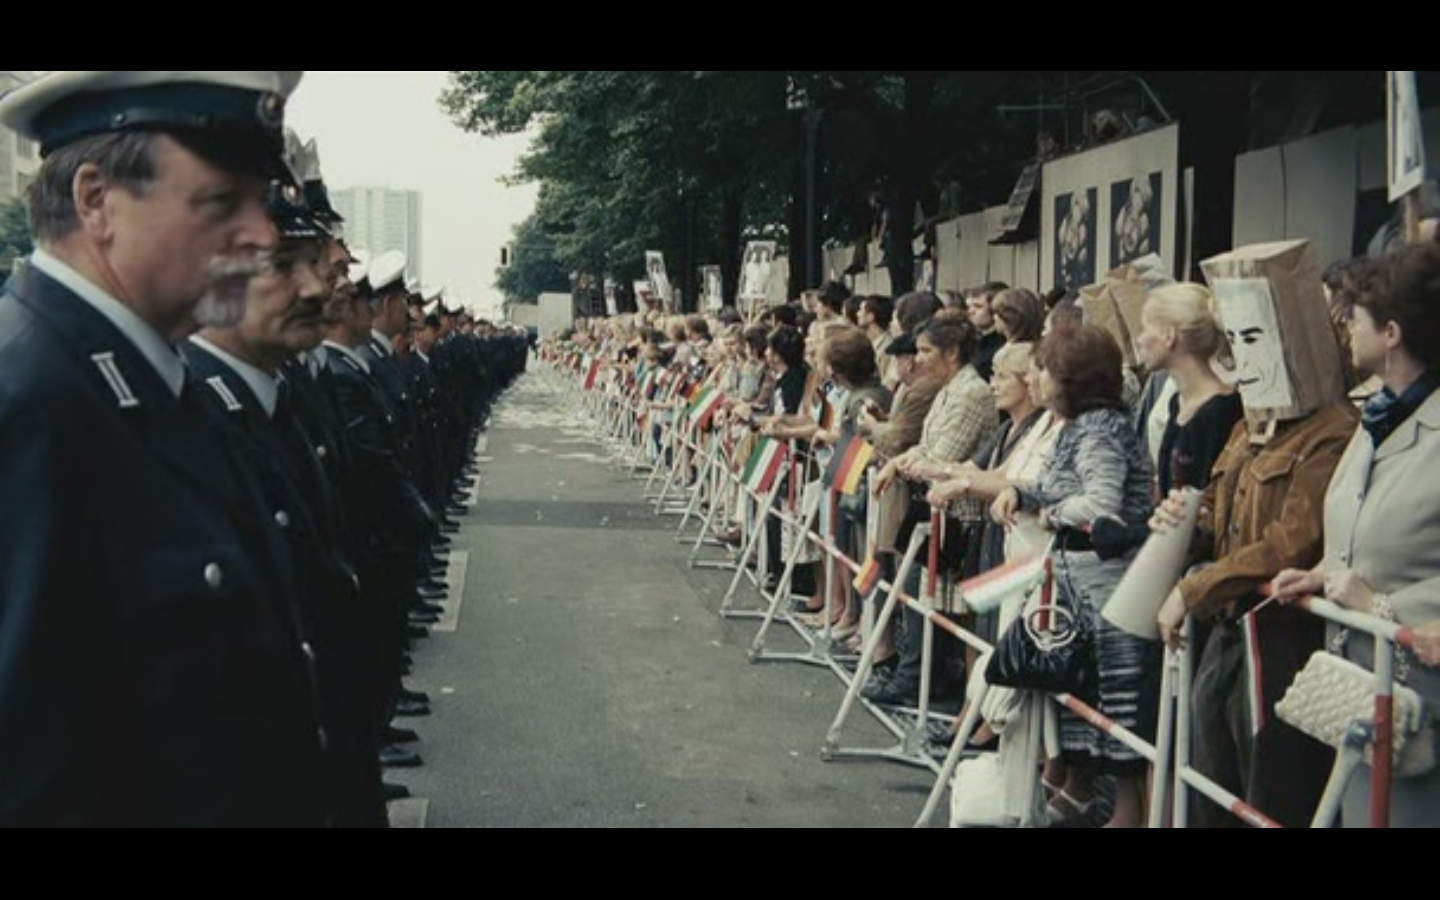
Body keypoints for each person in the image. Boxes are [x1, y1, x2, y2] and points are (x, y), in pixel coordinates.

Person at [0, 71, 343, 827]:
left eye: (258, 200)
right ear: (96, 200)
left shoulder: (156, 384)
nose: (261, 236)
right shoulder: (29, 405)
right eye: (221, 203)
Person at [183, 180, 386, 827]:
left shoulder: (275, 400)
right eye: (282, 264)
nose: (318, 289)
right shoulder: (197, 415)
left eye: (316, 264)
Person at [1152, 272, 1359, 829]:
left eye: (1252, 337)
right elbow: (1219, 506)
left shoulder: (1333, 430)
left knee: (1270, 791)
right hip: (1228, 629)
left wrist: (1193, 587)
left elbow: (1290, 542)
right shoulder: (1251, 424)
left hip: (1281, 636)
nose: (1238, 356)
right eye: (1233, 339)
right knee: (1212, 786)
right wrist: (1185, 518)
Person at [1272, 243, 1440, 828]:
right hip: (1361, 696)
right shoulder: (1376, 420)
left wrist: (1381, 607)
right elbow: (1360, 531)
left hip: (1422, 705)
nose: (1345, 329)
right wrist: (1320, 572)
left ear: (1390, 333)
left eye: (1356, 319)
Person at [993, 325, 1157, 829]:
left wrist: (1053, 512)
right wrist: (1021, 494)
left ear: (1072, 379)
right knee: (1082, 690)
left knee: (1116, 695)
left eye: (1043, 369)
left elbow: (1101, 502)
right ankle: (1080, 791)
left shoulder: (1100, 430)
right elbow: (1051, 483)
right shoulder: (1076, 427)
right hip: (1079, 578)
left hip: (1109, 582)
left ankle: (1128, 813)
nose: (1034, 378)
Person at [866, 314, 999, 708]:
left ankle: (919, 679)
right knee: (921, 594)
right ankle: (920, 675)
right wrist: (898, 463)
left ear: (952, 352)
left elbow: (942, 455)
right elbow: (925, 447)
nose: (919, 358)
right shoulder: (947, 390)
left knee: (937, 602)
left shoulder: (971, 393)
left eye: (926, 351)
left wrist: (907, 463)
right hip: (934, 506)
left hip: (960, 514)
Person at [1133, 283, 1242, 498]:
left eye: (1144, 329)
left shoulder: (1220, 412)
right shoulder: (1177, 402)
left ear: (1169, 336)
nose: (1139, 340)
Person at [964, 283, 1010, 382]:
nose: (970, 311)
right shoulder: (970, 341)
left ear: (996, 310)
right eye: (969, 307)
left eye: (978, 306)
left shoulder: (1003, 346)